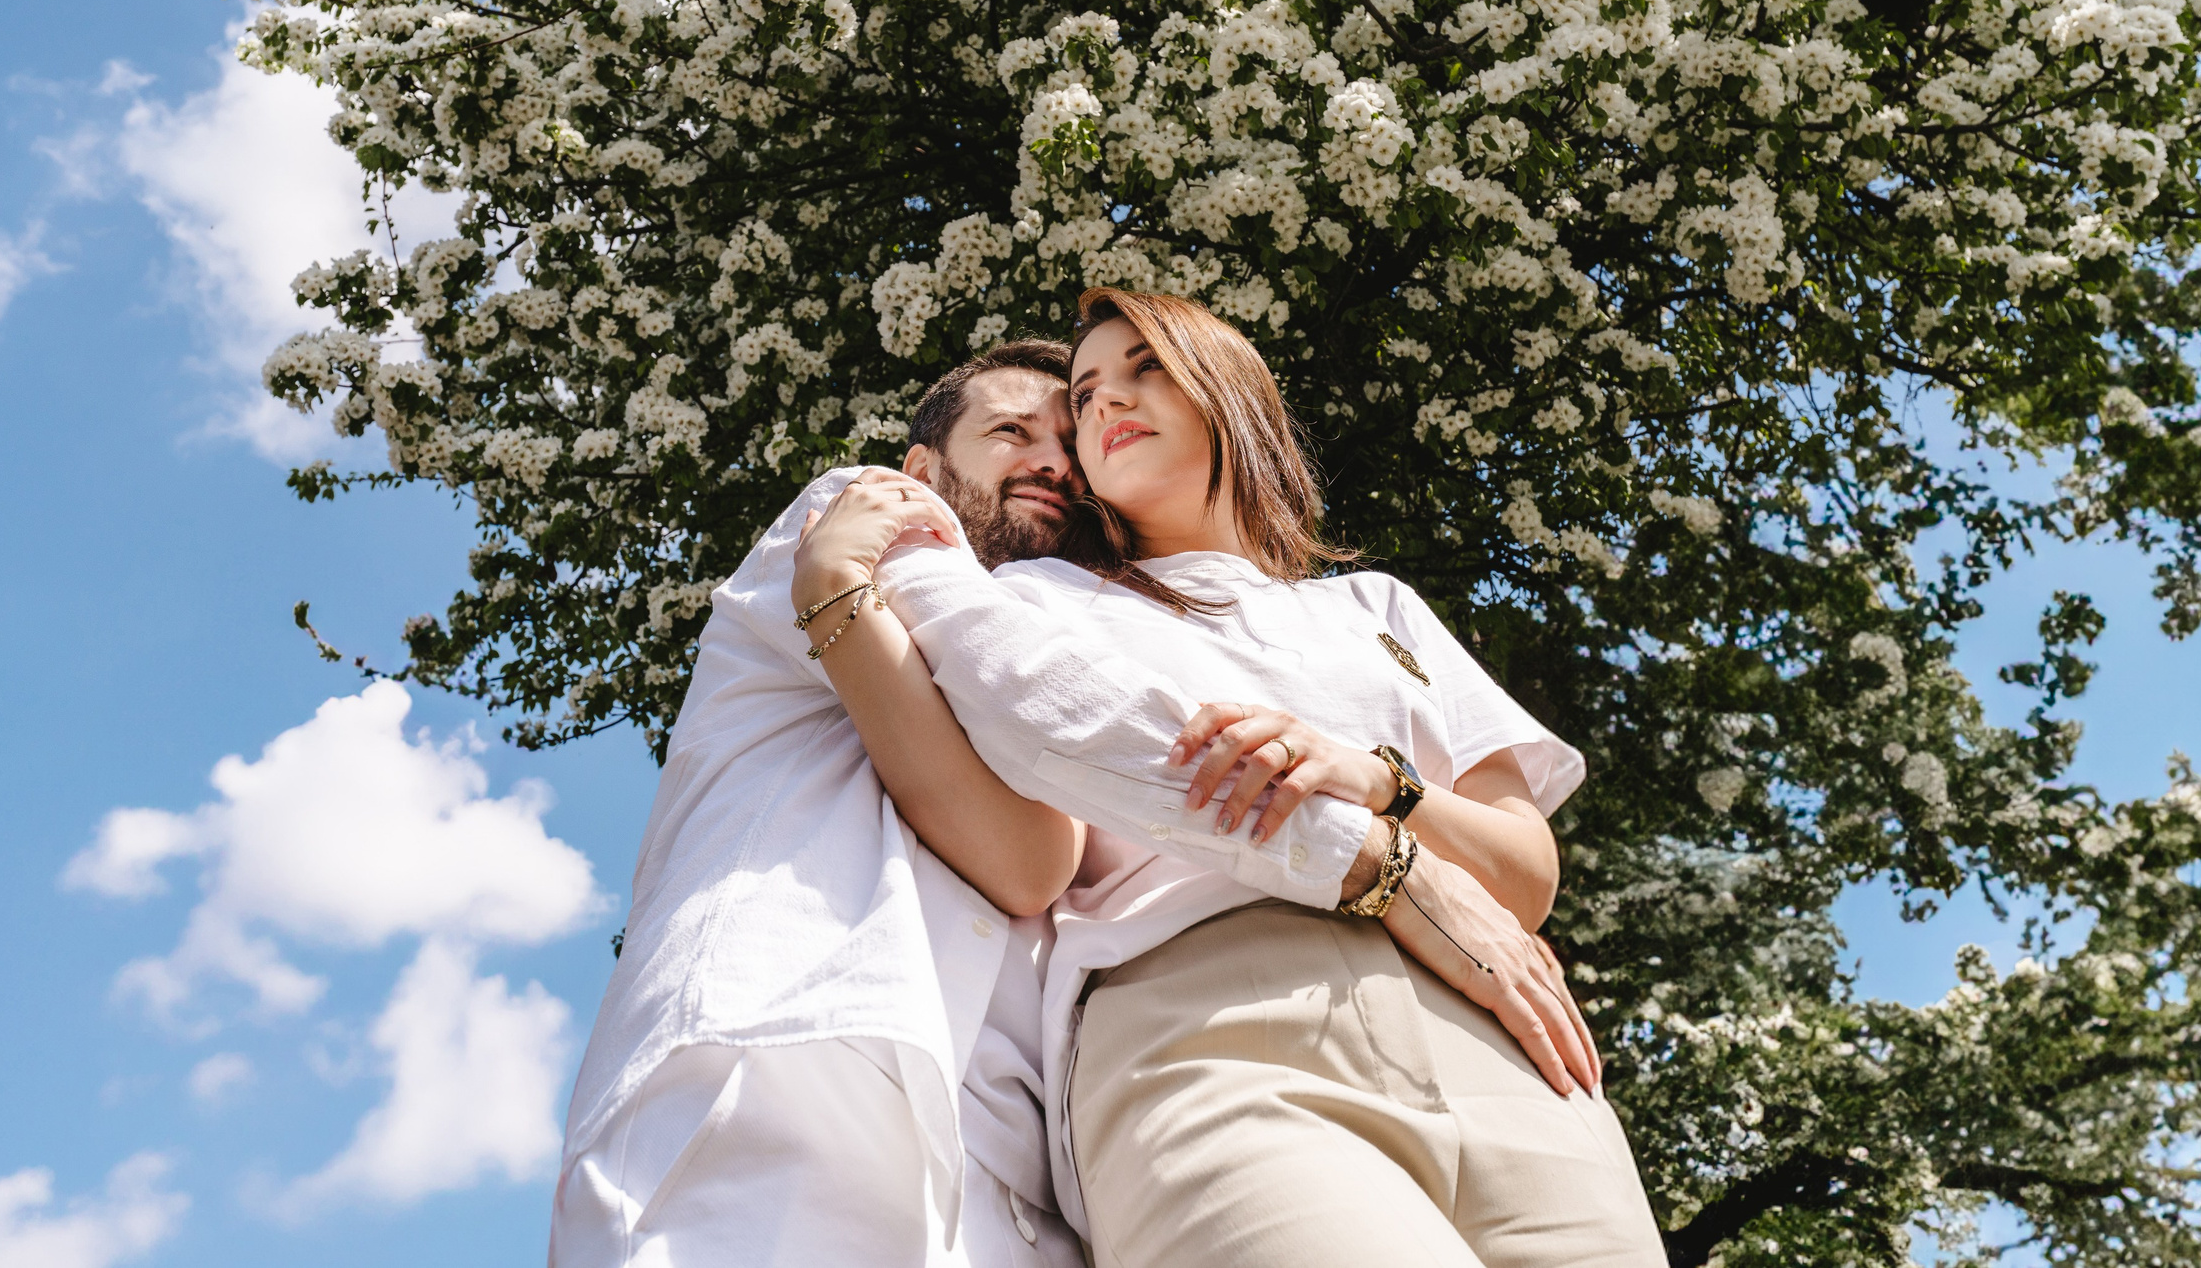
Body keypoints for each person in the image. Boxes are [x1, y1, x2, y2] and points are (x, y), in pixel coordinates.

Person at [551, 340, 1542, 1267]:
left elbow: (1029, 854)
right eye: (1010, 432)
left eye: (1068, 442)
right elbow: (1049, 775)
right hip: (782, 1058)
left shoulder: (1055, 618)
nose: (1053, 460)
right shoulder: (867, 512)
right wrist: (1374, 860)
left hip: (1003, 1159)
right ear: (925, 462)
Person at [802, 289, 1664, 1268]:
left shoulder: (1375, 607)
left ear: (1229, 387)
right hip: (1211, 1039)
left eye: (1144, 366)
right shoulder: (1035, 597)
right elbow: (1037, 807)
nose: (1104, 404)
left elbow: (1522, 878)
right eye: (1084, 395)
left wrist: (1377, 781)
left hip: (1509, 1042)